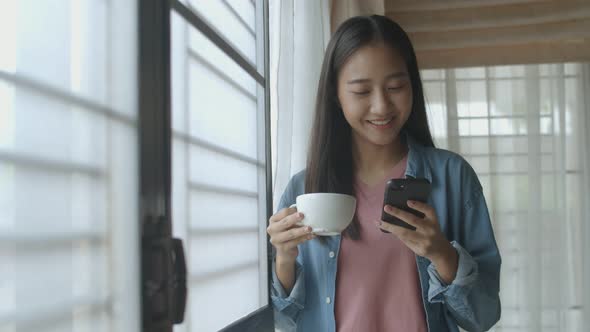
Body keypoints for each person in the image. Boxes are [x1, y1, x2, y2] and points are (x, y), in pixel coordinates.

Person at [267, 15, 501, 332]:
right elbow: (281, 320)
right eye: (362, 92)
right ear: (336, 94)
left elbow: (483, 316)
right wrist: (283, 257)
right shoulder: (303, 189)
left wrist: (442, 254)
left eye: (395, 87)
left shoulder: (452, 177)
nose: (381, 106)